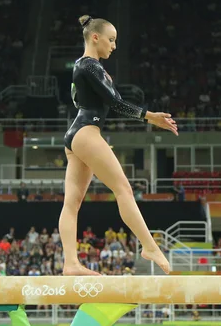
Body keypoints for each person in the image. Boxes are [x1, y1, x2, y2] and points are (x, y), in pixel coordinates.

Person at [60, 15, 177, 276]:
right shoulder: (90, 66)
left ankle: (70, 264)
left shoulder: (86, 66)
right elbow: (116, 103)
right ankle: (149, 246)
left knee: (72, 203)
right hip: (86, 132)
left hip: (78, 134)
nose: (114, 46)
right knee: (123, 188)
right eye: (111, 40)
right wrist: (151, 117)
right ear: (95, 37)